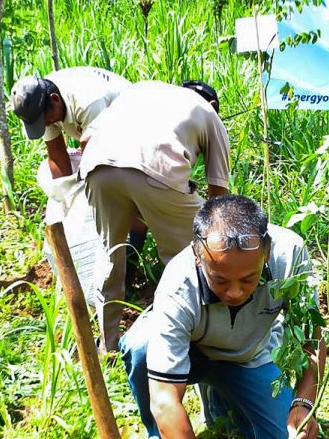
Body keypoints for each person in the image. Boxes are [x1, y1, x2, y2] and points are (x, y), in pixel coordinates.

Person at [120, 195, 325, 439]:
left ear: (266, 253)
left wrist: (304, 402)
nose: (234, 291)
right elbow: (165, 399)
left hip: (248, 356)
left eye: (248, 279)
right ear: (198, 256)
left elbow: (313, 339)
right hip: (193, 354)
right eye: (219, 279)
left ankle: (221, 399)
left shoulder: (289, 254)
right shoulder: (179, 283)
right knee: (140, 346)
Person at [74, 79, 231, 352]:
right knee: (189, 258)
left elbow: (86, 139)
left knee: (110, 254)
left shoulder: (142, 90)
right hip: (157, 171)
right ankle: (186, 340)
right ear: (214, 105)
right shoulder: (208, 113)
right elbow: (219, 195)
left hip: (96, 167)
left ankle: (107, 345)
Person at [11, 67, 131, 301]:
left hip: (130, 132)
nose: (47, 124)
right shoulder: (43, 104)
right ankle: (114, 262)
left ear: (55, 101)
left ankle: (128, 263)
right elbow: (57, 156)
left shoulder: (88, 101)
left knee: (123, 200)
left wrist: (89, 202)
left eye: (46, 120)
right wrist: (66, 201)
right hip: (97, 139)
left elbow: (98, 160)